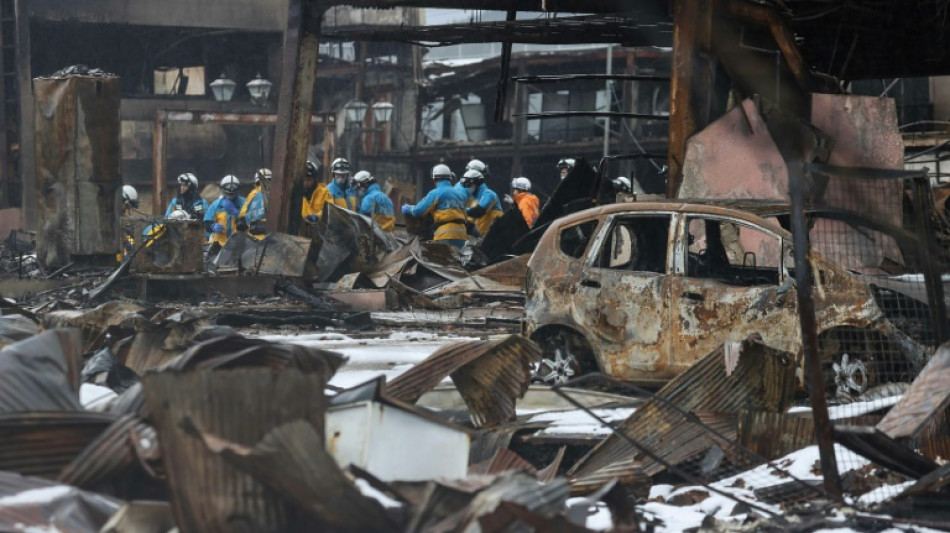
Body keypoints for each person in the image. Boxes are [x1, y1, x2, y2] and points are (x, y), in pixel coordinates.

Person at [401, 164, 468, 248]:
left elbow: (419, 211)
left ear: (435, 179)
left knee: (441, 260)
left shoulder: (436, 193)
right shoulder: (460, 195)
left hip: (445, 235)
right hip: (461, 236)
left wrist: (408, 208)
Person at [204, 175, 245, 254]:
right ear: (223, 191)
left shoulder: (244, 203)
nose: (230, 197)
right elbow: (206, 223)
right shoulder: (216, 205)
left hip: (238, 246)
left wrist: (236, 214)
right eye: (228, 194)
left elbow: (247, 224)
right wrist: (212, 226)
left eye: (232, 194)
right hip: (219, 245)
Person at [460, 168, 502, 238]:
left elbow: (479, 211)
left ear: (476, 183)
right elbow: (469, 225)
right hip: (485, 238)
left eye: (468, 185)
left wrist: (460, 211)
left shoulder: (489, 194)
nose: (467, 188)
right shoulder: (475, 201)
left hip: (497, 237)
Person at [238, 168, 271, 239]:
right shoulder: (278, 192)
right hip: (273, 238)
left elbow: (242, 219)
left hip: (253, 239)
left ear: (256, 183)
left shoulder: (252, 194)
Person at [301, 160, 330, 224]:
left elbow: (329, 211)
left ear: (314, 179)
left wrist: (317, 216)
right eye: (304, 179)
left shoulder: (324, 192)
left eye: (308, 180)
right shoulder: (297, 193)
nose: (305, 183)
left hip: (319, 230)